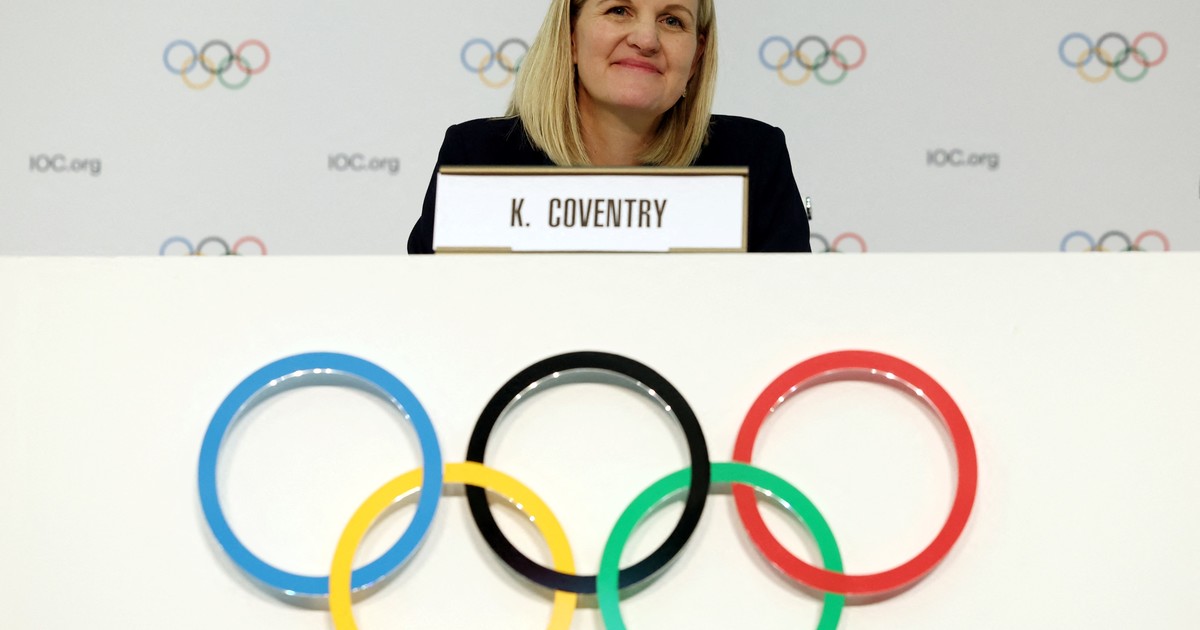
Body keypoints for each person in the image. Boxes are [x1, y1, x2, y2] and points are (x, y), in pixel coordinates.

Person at [407, 0, 811, 253]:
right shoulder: (478, 157)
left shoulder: (754, 159)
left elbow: (786, 318)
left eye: (672, 20)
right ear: (570, 37)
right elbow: (431, 316)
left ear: (697, 55)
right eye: (619, 10)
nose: (646, 39)